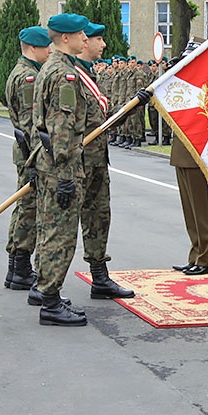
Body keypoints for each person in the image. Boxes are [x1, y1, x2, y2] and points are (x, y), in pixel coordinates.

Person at [32, 13, 91, 326]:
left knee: (46, 228)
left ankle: (46, 293)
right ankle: (51, 303)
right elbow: (62, 128)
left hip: (46, 163)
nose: (85, 39)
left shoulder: (49, 67)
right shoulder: (64, 75)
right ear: (65, 38)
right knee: (60, 234)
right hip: (60, 167)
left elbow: (35, 123)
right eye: (81, 34)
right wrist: (67, 175)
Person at [74, 22, 139, 299]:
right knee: (62, 224)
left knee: (99, 217)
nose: (104, 45)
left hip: (97, 159)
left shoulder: (90, 75)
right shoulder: (70, 76)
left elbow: (104, 118)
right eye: (99, 39)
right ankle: (44, 285)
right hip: (75, 163)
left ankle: (100, 277)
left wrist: (136, 102)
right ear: (84, 41)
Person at [3, 25, 52, 292]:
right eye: (46, 47)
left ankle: (16, 269)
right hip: (29, 154)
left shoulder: (26, 72)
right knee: (29, 210)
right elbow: (30, 125)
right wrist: (35, 162)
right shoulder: (28, 79)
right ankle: (20, 267)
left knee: (24, 207)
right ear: (33, 48)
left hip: (25, 153)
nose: (50, 50)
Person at [169, 38, 208, 276]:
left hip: (200, 154)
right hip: (182, 152)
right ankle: (196, 254)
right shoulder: (185, 84)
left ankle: (207, 258)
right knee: (190, 211)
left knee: (203, 210)